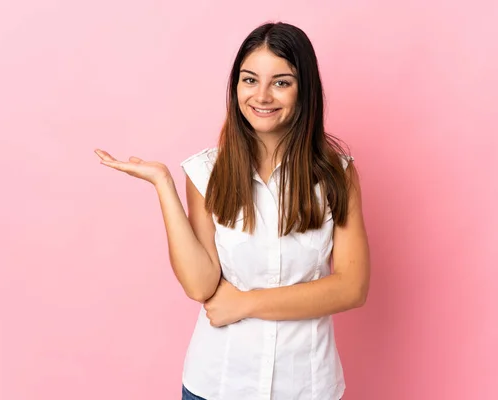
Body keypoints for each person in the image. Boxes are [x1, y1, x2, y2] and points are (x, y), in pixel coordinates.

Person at [94, 21, 370, 400]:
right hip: (217, 383)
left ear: (304, 89)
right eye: (249, 79)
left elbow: (352, 287)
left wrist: (245, 303)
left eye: (281, 82)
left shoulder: (337, 174)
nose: (262, 96)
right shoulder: (206, 172)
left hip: (306, 386)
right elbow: (201, 284)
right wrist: (163, 184)